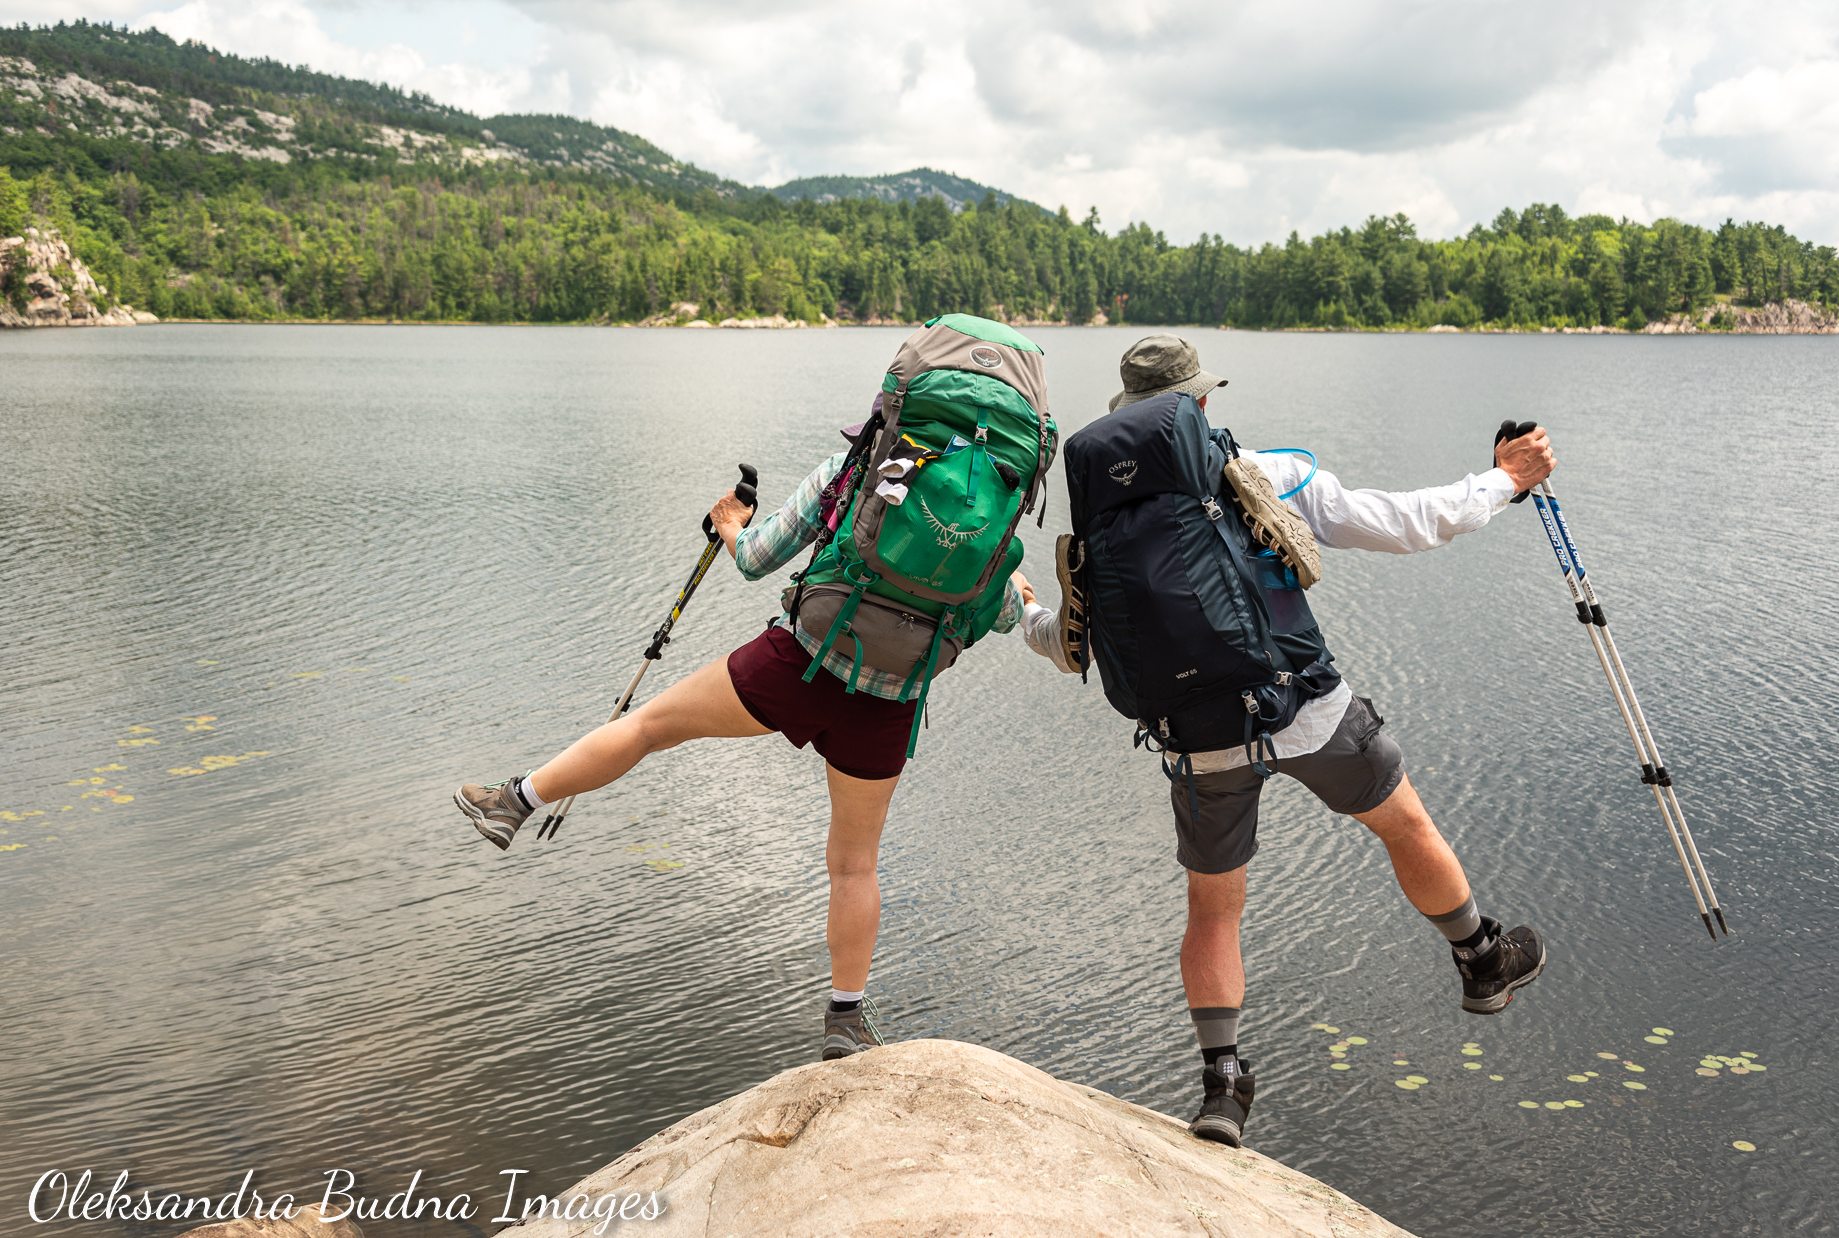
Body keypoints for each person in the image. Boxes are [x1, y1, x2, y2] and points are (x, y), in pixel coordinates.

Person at [1018, 333, 1557, 1148]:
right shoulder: (1262, 473)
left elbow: (1072, 640)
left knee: (1213, 910)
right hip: (1304, 708)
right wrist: (1505, 479)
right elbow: (1413, 522)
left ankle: (1223, 1086)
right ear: (1199, 402)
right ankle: (1481, 957)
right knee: (1402, 822)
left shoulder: (1103, 515)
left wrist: (1023, 610)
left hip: (1197, 743)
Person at [453, 396, 1039, 1062]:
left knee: (650, 727)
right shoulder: (996, 520)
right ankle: (845, 1021)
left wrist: (731, 522)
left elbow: (758, 558)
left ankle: (513, 802)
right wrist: (1012, 584)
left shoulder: (855, 473)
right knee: (854, 864)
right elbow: (993, 620)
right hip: (890, 701)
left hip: (796, 665)